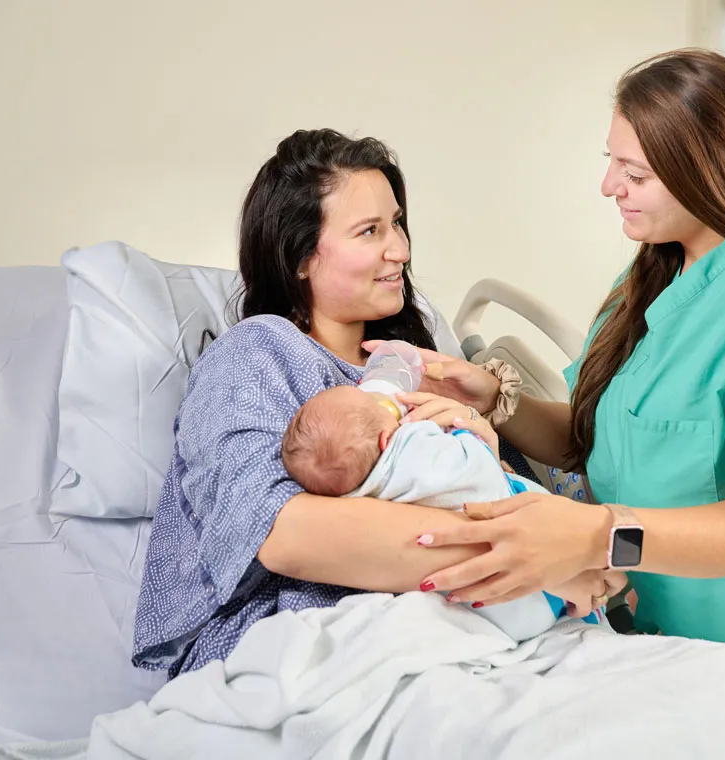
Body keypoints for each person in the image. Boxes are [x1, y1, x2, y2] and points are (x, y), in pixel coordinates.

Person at [389, 50, 725, 759]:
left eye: (634, 172)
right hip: (692, 668)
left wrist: (592, 535)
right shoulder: (646, 282)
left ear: (710, 166)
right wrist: (493, 396)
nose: (607, 185)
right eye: (612, 161)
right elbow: (588, 438)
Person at [131, 129, 614, 677]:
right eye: (370, 231)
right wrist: (534, 563)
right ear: (299, 257)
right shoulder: (256, 353)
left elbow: (489, 494)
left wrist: (486, 441)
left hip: (492, 625)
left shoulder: (423, 369)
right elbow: (281, 533)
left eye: (398, 223)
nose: (401, 250)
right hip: (324, 642)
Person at [280, 384, 612, 640]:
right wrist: (466, 431)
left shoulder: (355, 495)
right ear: (386, 439)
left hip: (501, 617)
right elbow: (473, 461)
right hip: (528, 562)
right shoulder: (413, 441)